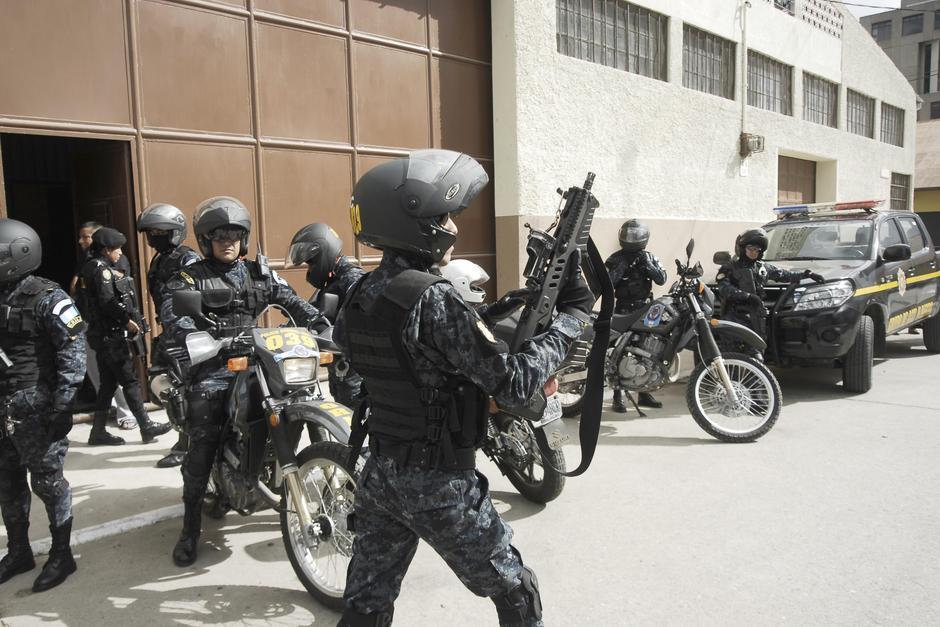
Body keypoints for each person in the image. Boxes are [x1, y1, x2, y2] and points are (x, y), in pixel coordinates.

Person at [335, 149, 594, 627]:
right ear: (418, 225)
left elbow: (385, 365)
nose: (455, 227)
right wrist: (572, 322)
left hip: (379, 475)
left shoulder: (359, 293)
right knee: (516, 589)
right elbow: (514, 387)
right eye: (446, 217)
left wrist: (506, 309)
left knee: (366, 603)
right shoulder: (434, 297)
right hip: (438, 485)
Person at [160, 196, 323, 567]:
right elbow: (175, 318)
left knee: (299, 394)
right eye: (219, 236)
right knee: (204, 439)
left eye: (235, 235)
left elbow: (294, 302)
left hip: (260, 360)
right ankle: (189, 530)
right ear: (205, 240)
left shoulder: (259, 274)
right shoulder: (189, 277)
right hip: (214, 365)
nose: (228, 242)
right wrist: (194, 336)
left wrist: (320, 322)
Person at [0, 219, 85, 592]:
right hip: (4, 407)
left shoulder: (49, 296)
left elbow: (73, 350)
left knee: (48, 483)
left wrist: (64, 404)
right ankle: (19, 551)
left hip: (35, 407)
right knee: (7, 482)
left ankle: (62, 554)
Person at [77, 227, 172, 446]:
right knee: (129, 380)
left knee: (108, 384)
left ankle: (97, 432)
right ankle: (146, 426)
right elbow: (108, 302)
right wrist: (127, 322)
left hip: (100, 336)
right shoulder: (101, 270)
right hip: (111, 336)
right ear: (106, 250)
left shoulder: (90, 267)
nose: (120, 253)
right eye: (116, 249)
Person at [137, 203, 201, 468]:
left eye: (161, 230)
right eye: (151, 231)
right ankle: (186, 436)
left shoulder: (189, 259)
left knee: (185, 391)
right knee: (162, 385)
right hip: (168, 332)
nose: (155, 236)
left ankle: (187, 444)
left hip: (187, 333)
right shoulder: (159, 259)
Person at [287, 223, 365, 410]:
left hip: (355, 372)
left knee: (355, 422)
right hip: (340, 371)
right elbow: (312, 312)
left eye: (311, 262)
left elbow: (364, 319)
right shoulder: (332, 282)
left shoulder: (351, 279)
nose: (310, 269)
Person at [716, 228, 824, 345]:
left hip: (755, 316)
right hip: (735, 315)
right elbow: (724, 289)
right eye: (750, 248)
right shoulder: (730, 268)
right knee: (733, 350)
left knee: (757, 350)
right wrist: (747, 296)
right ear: (742, 248)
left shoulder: (762, 268)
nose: (753, 252)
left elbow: (785, 275)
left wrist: (808, 274)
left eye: (757, 250)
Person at [604, 219, 667, 411]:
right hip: (623, 308)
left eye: (635, 234)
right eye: (628, 234)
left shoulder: (649, 256)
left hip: (645, 309)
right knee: (619, 350)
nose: (631, 238)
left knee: (646, 349)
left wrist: (647, 265)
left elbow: (662, 279)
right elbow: (606, 284)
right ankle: (617, 396)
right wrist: (621, 267)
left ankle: (644, 392)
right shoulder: (615, 258)